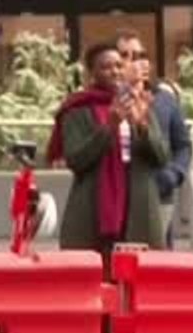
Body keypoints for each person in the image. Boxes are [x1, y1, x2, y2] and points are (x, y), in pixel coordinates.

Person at [48, 43, 169, 258]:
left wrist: (142, 126)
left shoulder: (138, 103)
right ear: (92, 73)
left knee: (138, 273)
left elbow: (161, 157)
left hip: (138, 205)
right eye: (106, 67)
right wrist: (109, 127)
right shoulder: (77, 109)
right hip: (94, 208)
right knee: (96, 273)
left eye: (119, 65)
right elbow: (76, 159)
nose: (115, 71)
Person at [116, 29, 193, 247]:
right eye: (125, 55)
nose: (134, 61)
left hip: (159, 194)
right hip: (119, 196)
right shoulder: (111, 99)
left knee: (157, 257)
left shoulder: (164, 99)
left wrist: (173, 175)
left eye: (139, 55)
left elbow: (183, 146)